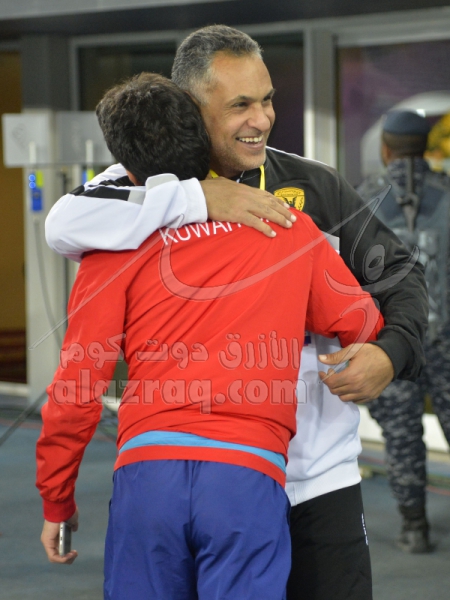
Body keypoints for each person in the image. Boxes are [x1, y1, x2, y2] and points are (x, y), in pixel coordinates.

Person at [44, 26, 428, 600]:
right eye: (240, 105)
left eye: (267, 100)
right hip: (230, 471)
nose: (262, 119)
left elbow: (402, 277)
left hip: (318, 480)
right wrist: (195, 197)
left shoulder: (315, 188)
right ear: (190, 107)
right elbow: (60, 223)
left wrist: (390, 354)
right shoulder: (134, 190)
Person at [358, 109, 450, 554]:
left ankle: (415, 528)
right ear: (426, 147)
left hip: (390, 344)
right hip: (446, 338)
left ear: (385, 149)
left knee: (400, 433)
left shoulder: (361, 200)